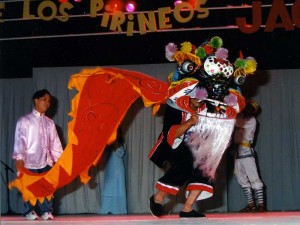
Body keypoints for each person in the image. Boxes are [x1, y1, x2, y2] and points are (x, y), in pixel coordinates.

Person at [148, 99, 213, 218]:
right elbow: (170, 134)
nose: (199, 98)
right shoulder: (175, 107)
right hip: (175, 142)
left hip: (196, 144)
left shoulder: (207, 107)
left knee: (207, 167)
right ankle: (158, 198)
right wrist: (189, 123)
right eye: (196, 94)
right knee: (185, 164)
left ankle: (187, 209)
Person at [12, 89, 63, 220]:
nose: (47, 103)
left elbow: (55, 143)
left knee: (47, 187)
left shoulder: (50, 123)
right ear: (36, 100)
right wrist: (19, 157)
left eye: (49, 101)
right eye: (44, 99)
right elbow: (20, 140)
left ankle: (46, 210)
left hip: (45, 161)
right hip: (29, 161)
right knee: (29, 187)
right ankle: (29, 211)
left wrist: (60, 160)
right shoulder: (25, 121)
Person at [233, 100, 266, 212]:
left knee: (254, 177)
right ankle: (251, 204)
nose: (247, 109)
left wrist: (229, 114)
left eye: (250, 108)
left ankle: (261, 204)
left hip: (246, 151)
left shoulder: (251, 120)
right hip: (238, 152)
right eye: (246, 107)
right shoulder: (240, 119)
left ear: (253, 111)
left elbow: (237, 123)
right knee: (241, 178)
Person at [100, 128, 127, 214]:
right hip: (109, 166)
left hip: (118, 167)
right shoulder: (108, 144)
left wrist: (115, 143)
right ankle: (107, 208)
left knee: (118, 187)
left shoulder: (122, 144)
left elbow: (120, 153)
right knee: (109, 187)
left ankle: (118, 209)